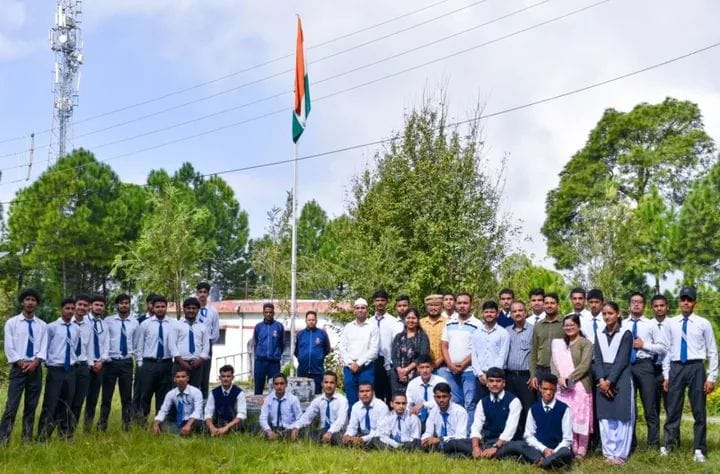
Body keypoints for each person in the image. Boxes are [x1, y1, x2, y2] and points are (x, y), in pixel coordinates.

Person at [662, 286, 718, 462]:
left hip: (696, 367)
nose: (686, 303)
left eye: (690, 300)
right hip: (676, 367)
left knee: (699, 410)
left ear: (695, 303)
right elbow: (667, 350)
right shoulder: (671, 323)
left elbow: (712, 351)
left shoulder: (703, 323)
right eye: (683, 299)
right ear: (679, 302)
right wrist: (666, 375)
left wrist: (711, 377)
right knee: (673, 408)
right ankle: (669, 445)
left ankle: (699, 449)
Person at [0, 288, 47, 445]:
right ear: (22, 302)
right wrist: (21, 362)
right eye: (27, 299)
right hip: (18, 369)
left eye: (33, 300)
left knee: (31, 406)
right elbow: (9, 347)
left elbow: (44, 347)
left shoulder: (42, 325)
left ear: (36, 304)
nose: (30, 303)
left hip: (35, 369)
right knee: (11, 406)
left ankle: (26, 439)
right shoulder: (12, 323)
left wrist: (35, 363)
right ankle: (3, 440)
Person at [592, 301, 634, 465]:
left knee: (621, 415)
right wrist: (601, 379)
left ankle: (620, 454)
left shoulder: (625, 333)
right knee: (605, 416)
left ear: (618, 314)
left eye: (610, 313)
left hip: (620, 377)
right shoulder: (599, 333)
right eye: (604, 314)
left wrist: (610, 381)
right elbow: (598, 358)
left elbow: (622, 359)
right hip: (602, 379)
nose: (607, 316)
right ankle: (609, 453)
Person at [505, 374, 574, 469]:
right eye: (545, 389)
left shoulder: (564, 409)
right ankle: (546, 462)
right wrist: (544, 449)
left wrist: (553, 452)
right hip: (539, 450)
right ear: (540, 388)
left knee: (565, 452)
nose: (548, 392)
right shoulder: (533, 409)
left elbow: (567, 439)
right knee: (520, 445)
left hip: (557, 451)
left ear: (555, 390)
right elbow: (529, 435)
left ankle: (543, 462)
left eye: (551, 389)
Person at [627, 291, 667, 451]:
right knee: (629, 408)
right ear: (629, 305)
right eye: (633, 301)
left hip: (645, 365)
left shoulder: (651, 324)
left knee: (650, 407)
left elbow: (662, 348)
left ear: (644, 306)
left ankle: (653, 445)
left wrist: (644, 345)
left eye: (640, 302)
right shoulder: (622, 324)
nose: (636, 304)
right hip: (627, 367)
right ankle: (630, 444)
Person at [37, 298, 81, 441]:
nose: (70, 311)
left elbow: (75, 347)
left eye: (72, 309)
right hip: (56, 369)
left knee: (67, 402)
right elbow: (45, 346)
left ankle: (64, 435)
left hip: (71, 369)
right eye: (67, 308)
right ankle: (43, 436)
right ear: (61, 309)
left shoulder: (76, 328)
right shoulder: (51, 327)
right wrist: (48, 363)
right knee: (51, 402)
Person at [550, 314, 593, 458]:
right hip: (562, 386)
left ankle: (582, 449)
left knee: (581, 417)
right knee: (568, 417)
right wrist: (559, 379)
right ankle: (571, 447)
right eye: (566, 325)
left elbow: (585, 365)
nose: (569, 328)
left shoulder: (585, 343)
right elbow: (553, 362)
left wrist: (569, 380)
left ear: (578, 326)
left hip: (580, 385)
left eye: (572, 325)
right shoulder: (560, 344)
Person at [438, 292, 480, 431]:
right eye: (459, 303)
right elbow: (444, 345)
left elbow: (478, 348)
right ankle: (456, 433)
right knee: (455, 403)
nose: (462, 306)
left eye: (465, 303)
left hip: (469, 371)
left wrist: (463, 364)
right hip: (450, 371)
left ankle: (469, 434)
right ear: (456, 305)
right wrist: (450, 365)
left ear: (471, 305)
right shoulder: (449, 322)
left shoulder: (477, 324)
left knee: (470, 403)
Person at [99, 293, 138, 431]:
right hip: (110, 362)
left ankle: (126, 425)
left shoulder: (135, 322)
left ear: (129, 305)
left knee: (127, 397)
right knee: (106, 396)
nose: (124, 305)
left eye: (126, 303)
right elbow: (103, 340)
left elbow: (135, 343)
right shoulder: (108, 321)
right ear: (116, 305)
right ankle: (102, 425)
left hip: (126, 362)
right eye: (121, 303)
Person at [466, 367, 522, 459]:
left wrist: (495, 447)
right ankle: (483, 452)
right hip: (488, 441)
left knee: (517, 447)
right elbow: (476, 426)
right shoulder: (482, 402)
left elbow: (510, 430)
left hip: (507, 443)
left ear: (504, 383)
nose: (494, 384)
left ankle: (493, 453)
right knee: (457, 443)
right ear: (487, 384)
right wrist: (475, 447)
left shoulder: (514, 401)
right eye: (491, 381)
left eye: (498, 381)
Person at [134, 295, 173, 424]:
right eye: (157, 307)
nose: (160, 309)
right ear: (153, 308)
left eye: (163, 306)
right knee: (145, 395)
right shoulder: (145, 324)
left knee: (163, 397)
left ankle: (159, 424)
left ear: (166, 307)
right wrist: (141, 364)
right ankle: (141, 424)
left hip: (166, 363)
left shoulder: (173, 324)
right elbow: (139, 345)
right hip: (149, 364)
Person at [340, 298, 379, 409]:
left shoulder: (373, 327)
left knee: (367, 399)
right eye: (357, 308)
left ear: (367, 310)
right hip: (350, 368)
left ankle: (368, 420)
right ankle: (353, 420)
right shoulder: (348, 327)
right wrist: (351, 363)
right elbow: (342, 348)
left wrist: (359, 363)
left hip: (366, 368)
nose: (360, 310)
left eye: (363, 308)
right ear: (354, 311)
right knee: (351, 399)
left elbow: (374, 350)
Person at [291, 371, 348, 444]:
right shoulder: (318, 400)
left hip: (337, 432)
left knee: (338, 438)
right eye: (326, 382)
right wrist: (297, 427)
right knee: (301, 432)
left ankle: (328, 440)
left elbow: (340, 421)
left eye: (332, 383)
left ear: (336, 384)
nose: (328, 385)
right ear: (322, 384)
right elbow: (307, 416)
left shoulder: (342, 400)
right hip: (322, 432)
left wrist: (330, 432)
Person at [505, 300, 534, 440]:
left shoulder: (533, 330)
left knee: (528, 407)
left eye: (520, 310)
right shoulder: (506, 331)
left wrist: (534, 375)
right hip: (510, 376)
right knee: (513, 408)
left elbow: (535, 354)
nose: (517, 313)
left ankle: (529, 438)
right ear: (510, 314)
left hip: (526, 376)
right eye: (514, 311)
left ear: (525, 312)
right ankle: (514, 438)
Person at [471, 301, 510, 401]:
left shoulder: (503, 333)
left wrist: (491, 376)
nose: (489, 314)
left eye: (492, 312)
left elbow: (503, 356)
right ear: (482, 314)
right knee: (481, 404)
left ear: (497, 314)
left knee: (498, 404)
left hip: (497, 378)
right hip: (480, 378)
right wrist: (480, 374)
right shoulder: (476, 333)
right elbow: (474, 355)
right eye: (486, 312)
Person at [169, 297, 210, 389]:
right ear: (184, 309)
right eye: (189, 308)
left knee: (194, 391)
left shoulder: (202, 327)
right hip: (180, 364)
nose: (191, 310)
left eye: (194, 308)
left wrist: (200, 360)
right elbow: (172, 345)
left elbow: (206, 346)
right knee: (178, 391)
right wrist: (181, 361)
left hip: (197, 365)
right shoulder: (176, 325)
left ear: (198, 310)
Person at [69, 293, 95, 437]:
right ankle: (60, 428)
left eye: (85, 305)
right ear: (74, 305)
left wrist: (90, 365)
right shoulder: (66, 323)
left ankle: (70, 433)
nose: (82, 308)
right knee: (66, 399)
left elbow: (90, 348)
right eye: (80, 304)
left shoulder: (89, 326)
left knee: (78, 402)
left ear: (88, 307)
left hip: (83, 367)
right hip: (69, 367)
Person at [371, 290, 403, 403]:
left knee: (390, 393)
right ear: (374, 302)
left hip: (389, 361)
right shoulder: (369, 322)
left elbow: (397, 343)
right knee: (377, 394)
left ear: (387, 302)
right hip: (373, 361)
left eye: (382, 300)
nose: (380, 303)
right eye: (377, 300)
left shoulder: (393, 322)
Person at [83, 294, 109, 432]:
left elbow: (106, 344)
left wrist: (101, 361)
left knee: (93, 399)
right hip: (85, 365)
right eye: (96, 305)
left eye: (101, 305)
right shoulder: (83, 321)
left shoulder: (104, 324)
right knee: (78, 398)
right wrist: (90, 362)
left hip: (99, 366)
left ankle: (87, 428)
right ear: (90, 306)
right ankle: (69, 428)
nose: (98, 307)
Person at [529, 293, 564, 393]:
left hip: (560, 370)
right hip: (541, 370)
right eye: (547, 303)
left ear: (558, 305)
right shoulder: (538, 325)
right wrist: (533, 375)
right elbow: (534, 351)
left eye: (552, 303)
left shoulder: (565, 323)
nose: (549, 305)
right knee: (542, 400)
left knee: (559, 399)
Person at [152, 369, 203, 435]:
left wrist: (188, 425)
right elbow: (163, 410)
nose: (180, 379)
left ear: (187, 378)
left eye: (183, 377)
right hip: (178, 422)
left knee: (199, 424)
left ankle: (178, 433)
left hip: (193, 420)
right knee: (161, 424)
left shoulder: (196, 392)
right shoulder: (171, 393)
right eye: (178, 377)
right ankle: (182, 433)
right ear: (174, 379)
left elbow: (198, 411)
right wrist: (156, 424)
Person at [390, 307, 430, 394]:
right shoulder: (398, 337)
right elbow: (393, 356)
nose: (410, 320)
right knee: (398, 399)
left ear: (418, 320)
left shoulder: (422, 337)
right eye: (408, 318)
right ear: (404, 319)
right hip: (397, 374)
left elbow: (423, 356)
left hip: (416, 373)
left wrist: (407, 370)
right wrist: (400, 370)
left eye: (413, 318)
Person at [420, 382, 468, 453]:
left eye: (444, 396)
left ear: (450, 397)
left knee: (455, 444)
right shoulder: (433, 411)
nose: (441, 400)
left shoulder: (460, 412)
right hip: (438, 444)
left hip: (454, 444)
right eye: (438, 397)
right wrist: (425, 439)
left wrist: (440, 439)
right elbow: (428, 431)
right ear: (434, 398)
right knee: (417, 442)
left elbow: (461, 436)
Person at [294, 310, 331, 394]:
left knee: (317, 395)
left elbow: (327, 349)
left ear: (316, 321)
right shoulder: (300, 334)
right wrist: (302, 358)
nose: (311, 322)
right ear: (306, 321)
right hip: (303, 371)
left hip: (317, 371)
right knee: (302, 395)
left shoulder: (322, 334)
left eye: (313, 320)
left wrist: (319, 357)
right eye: (309, 320)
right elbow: (296, 351)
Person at [407, 355, 448, 429]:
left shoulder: (440, 381)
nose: (425, 370)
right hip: (418, 417)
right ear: (418, 369)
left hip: (437, 415)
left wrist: (424, 405)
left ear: (432, 367)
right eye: (422, 367)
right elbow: (408, 403)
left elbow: (446, 401)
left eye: (427, 367)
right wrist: (410, 411)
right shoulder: (412, 384)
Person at [343, 382, 389, 448]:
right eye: (362, 391)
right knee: (339, 436)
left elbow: (381, 431)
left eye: (367, 391)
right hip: (362, 435)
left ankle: (361, 445)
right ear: (358, 393)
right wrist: (348, 435)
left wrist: (363, 439)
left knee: (377, 441)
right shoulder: (356, 406)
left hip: (377, 436)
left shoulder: (381, 406)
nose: (364, 394)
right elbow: (352, 427)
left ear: (373, 392)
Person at [204, 365, 247, 436]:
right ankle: (216, 431)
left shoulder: (239, 393)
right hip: (218, 422)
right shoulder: (214, 392)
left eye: (228, 376)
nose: (225, 379)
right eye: (223, 376)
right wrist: (212, 428)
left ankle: (228, 432)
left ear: (232, 377)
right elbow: (208, 413)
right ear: (220, 378)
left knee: (240, 422)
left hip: (233, 423)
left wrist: (226, 427)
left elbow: (242, 414)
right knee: (202, 423)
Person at [253, 303, 285, 395]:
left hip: (274, 363)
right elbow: (255, 343)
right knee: (258, 389)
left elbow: (282, 343)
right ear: (263, 313)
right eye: (266, 312)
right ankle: (257, 404)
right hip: (260, 362)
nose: (268, 314)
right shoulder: (258, 327)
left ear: (273, 313)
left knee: (275, 390)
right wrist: (260, 354)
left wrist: (276, 354)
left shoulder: (279, 326)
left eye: (270, 312)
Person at [132, 293, 157, 413]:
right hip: (142, 361)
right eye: (151, 303)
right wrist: (139, 361)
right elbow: (136, 342)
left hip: (158, 361)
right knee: (138, 389)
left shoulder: (165, 321)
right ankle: (135, 415)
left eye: (156, 304)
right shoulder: (139, 321)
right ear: (147, 304)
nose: (153, 306)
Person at [196, 282, 220, 399]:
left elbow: (215, 331)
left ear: (208, 294)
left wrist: (208, 343)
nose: (202, 294)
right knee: (195, 374)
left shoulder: (213, 311)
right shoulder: (192, 309)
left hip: (207, 344)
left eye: (204, 292)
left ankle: (205, 401)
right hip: (195, 343)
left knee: (205, 375)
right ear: (197, 293)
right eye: (200, 292)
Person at [259, 373, 302, 439]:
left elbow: (299, 418)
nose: (279, 386)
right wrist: (268, 430)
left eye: (282, 383)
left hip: (288, 430)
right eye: (276, 384)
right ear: (273, 385)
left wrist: (295, 428)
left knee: (295, 434)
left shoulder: (293, 399)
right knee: (260, 432)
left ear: (286, 384)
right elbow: (263, 417)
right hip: (273, 429)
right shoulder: (268, 399)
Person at [650, 294, 669, 432]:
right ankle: (655, 440)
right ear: (652, 308)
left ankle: (672, 440)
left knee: (671, 406)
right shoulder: (648, 325)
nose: (659, 308)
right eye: (656, 306)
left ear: (667, 307)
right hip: (652, 368)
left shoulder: (674, 324)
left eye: (662, 305)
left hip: (670, 368)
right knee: (653, 406)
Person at [419, 294, 446, 371]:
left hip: (444, 366)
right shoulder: (420, 323)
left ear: (441, 306)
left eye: (436, 305)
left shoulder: (448, 323)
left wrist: (439, 361)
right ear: (426, 307)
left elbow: (450, 345)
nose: (433, 308)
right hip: (424, 367)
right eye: (430, 305)